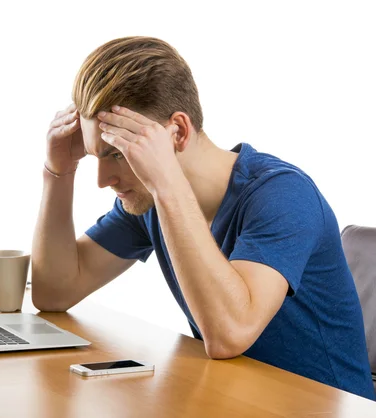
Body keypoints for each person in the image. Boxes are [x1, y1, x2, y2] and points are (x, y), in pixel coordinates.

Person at [31, 36, 375, 400]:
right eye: (95, 155)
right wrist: (58, 171)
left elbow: (229, 334)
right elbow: (55, 291)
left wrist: (167, 186)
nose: (102, 180)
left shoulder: (283, 196)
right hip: (238, 400)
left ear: (177, 132)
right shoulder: (150, 200)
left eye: (118, 154)